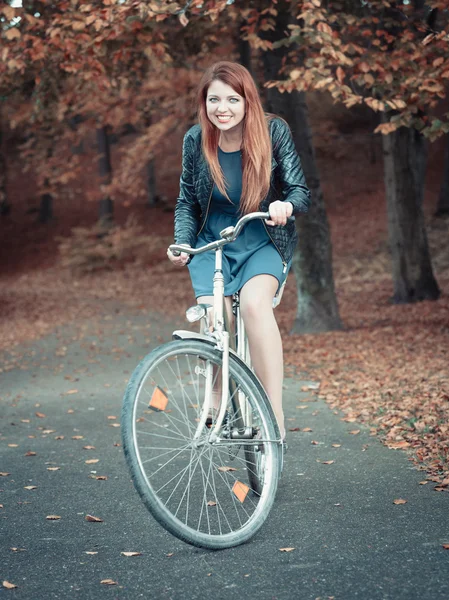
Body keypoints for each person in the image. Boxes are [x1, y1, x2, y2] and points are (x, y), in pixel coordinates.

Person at [167, 61, 311, 442]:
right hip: (211, 243)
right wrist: (182, 241)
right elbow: (186, 202)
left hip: (261, 236)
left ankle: (273, 414)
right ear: (205, 102)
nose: (223, 108)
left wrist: (287, 207)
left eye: (232, 99)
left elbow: (299, 190)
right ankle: (214, 401)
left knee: (252, 306)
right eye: (214, 99)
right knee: (215, 318)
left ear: (248, 101)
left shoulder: (273, 131)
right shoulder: (195, 140)